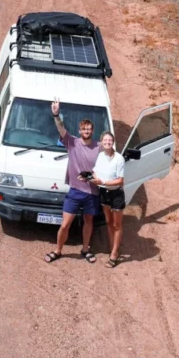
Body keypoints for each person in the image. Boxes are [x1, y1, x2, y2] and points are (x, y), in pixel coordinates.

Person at [44, 98, 101, 264]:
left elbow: (108, 164)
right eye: (84, 129)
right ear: (80, 130)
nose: (87, 131)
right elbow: (61, 129)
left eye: (89, 129)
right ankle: (58, 250)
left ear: (93, 130)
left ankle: (85, 249)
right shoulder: (72, 142)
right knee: (65, 224)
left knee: (88, 221)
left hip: (92, 192)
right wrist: (56, 114)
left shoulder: (99, 147)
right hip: (75, 191)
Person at [90, 131, 126, 268]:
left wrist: (103, 182)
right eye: (105, 140)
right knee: (108, 221)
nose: (107, 143)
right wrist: (90, 177)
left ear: (113, 142)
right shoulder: (100, 156)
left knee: (117, 225)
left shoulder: (119, 158)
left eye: (110, 140)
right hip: (104, 193)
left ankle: (114, 254)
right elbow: (95, 171)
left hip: (116, 194)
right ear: (101, 142)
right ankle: (113, 248)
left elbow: (120, 181)